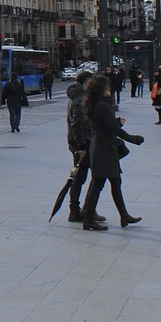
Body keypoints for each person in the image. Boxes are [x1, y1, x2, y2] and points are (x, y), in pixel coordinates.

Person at [79, 74, 145, 231]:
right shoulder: (102, 105)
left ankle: (124, 215)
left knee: (115, 182)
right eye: (107, 86)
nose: (109, 89)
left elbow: (106, 126)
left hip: (102, 147)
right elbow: (113, 129)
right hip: (104, 149)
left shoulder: (93, 103)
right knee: (98, 184)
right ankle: (88, 220)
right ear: (101, 89)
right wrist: (133, 139)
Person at [65, 70, 102, 224]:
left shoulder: (76, 96)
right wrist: (81, 146)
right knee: (82, 178)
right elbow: (77, 123)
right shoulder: (80, 99)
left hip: (78, 142)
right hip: (82, 143)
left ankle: (82, 209)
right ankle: (81, 210)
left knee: (81, 177)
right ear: (86, 83)